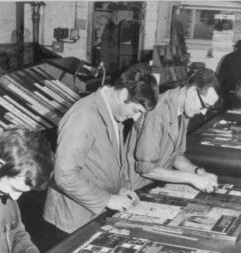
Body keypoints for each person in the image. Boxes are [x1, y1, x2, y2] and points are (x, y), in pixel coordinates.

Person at [43, 64, 159, 236]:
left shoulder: (113, 112)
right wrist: (108, 199)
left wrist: (122, 188)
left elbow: (109, 161)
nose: (136, 118)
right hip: (71, 221)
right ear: (124, 94)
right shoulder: (84, 116)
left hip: (93, 213)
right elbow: (64, 175)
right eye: (136, 110)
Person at [129, 67, 220, 192]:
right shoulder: (159, 111)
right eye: (205, 105)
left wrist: (198, 172)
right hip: (134, 187)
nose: (204, 112)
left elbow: (175, 156)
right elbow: (146, 169)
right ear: (193, 92)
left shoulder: (184, 109)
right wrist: (192, 178)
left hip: (154, 184)